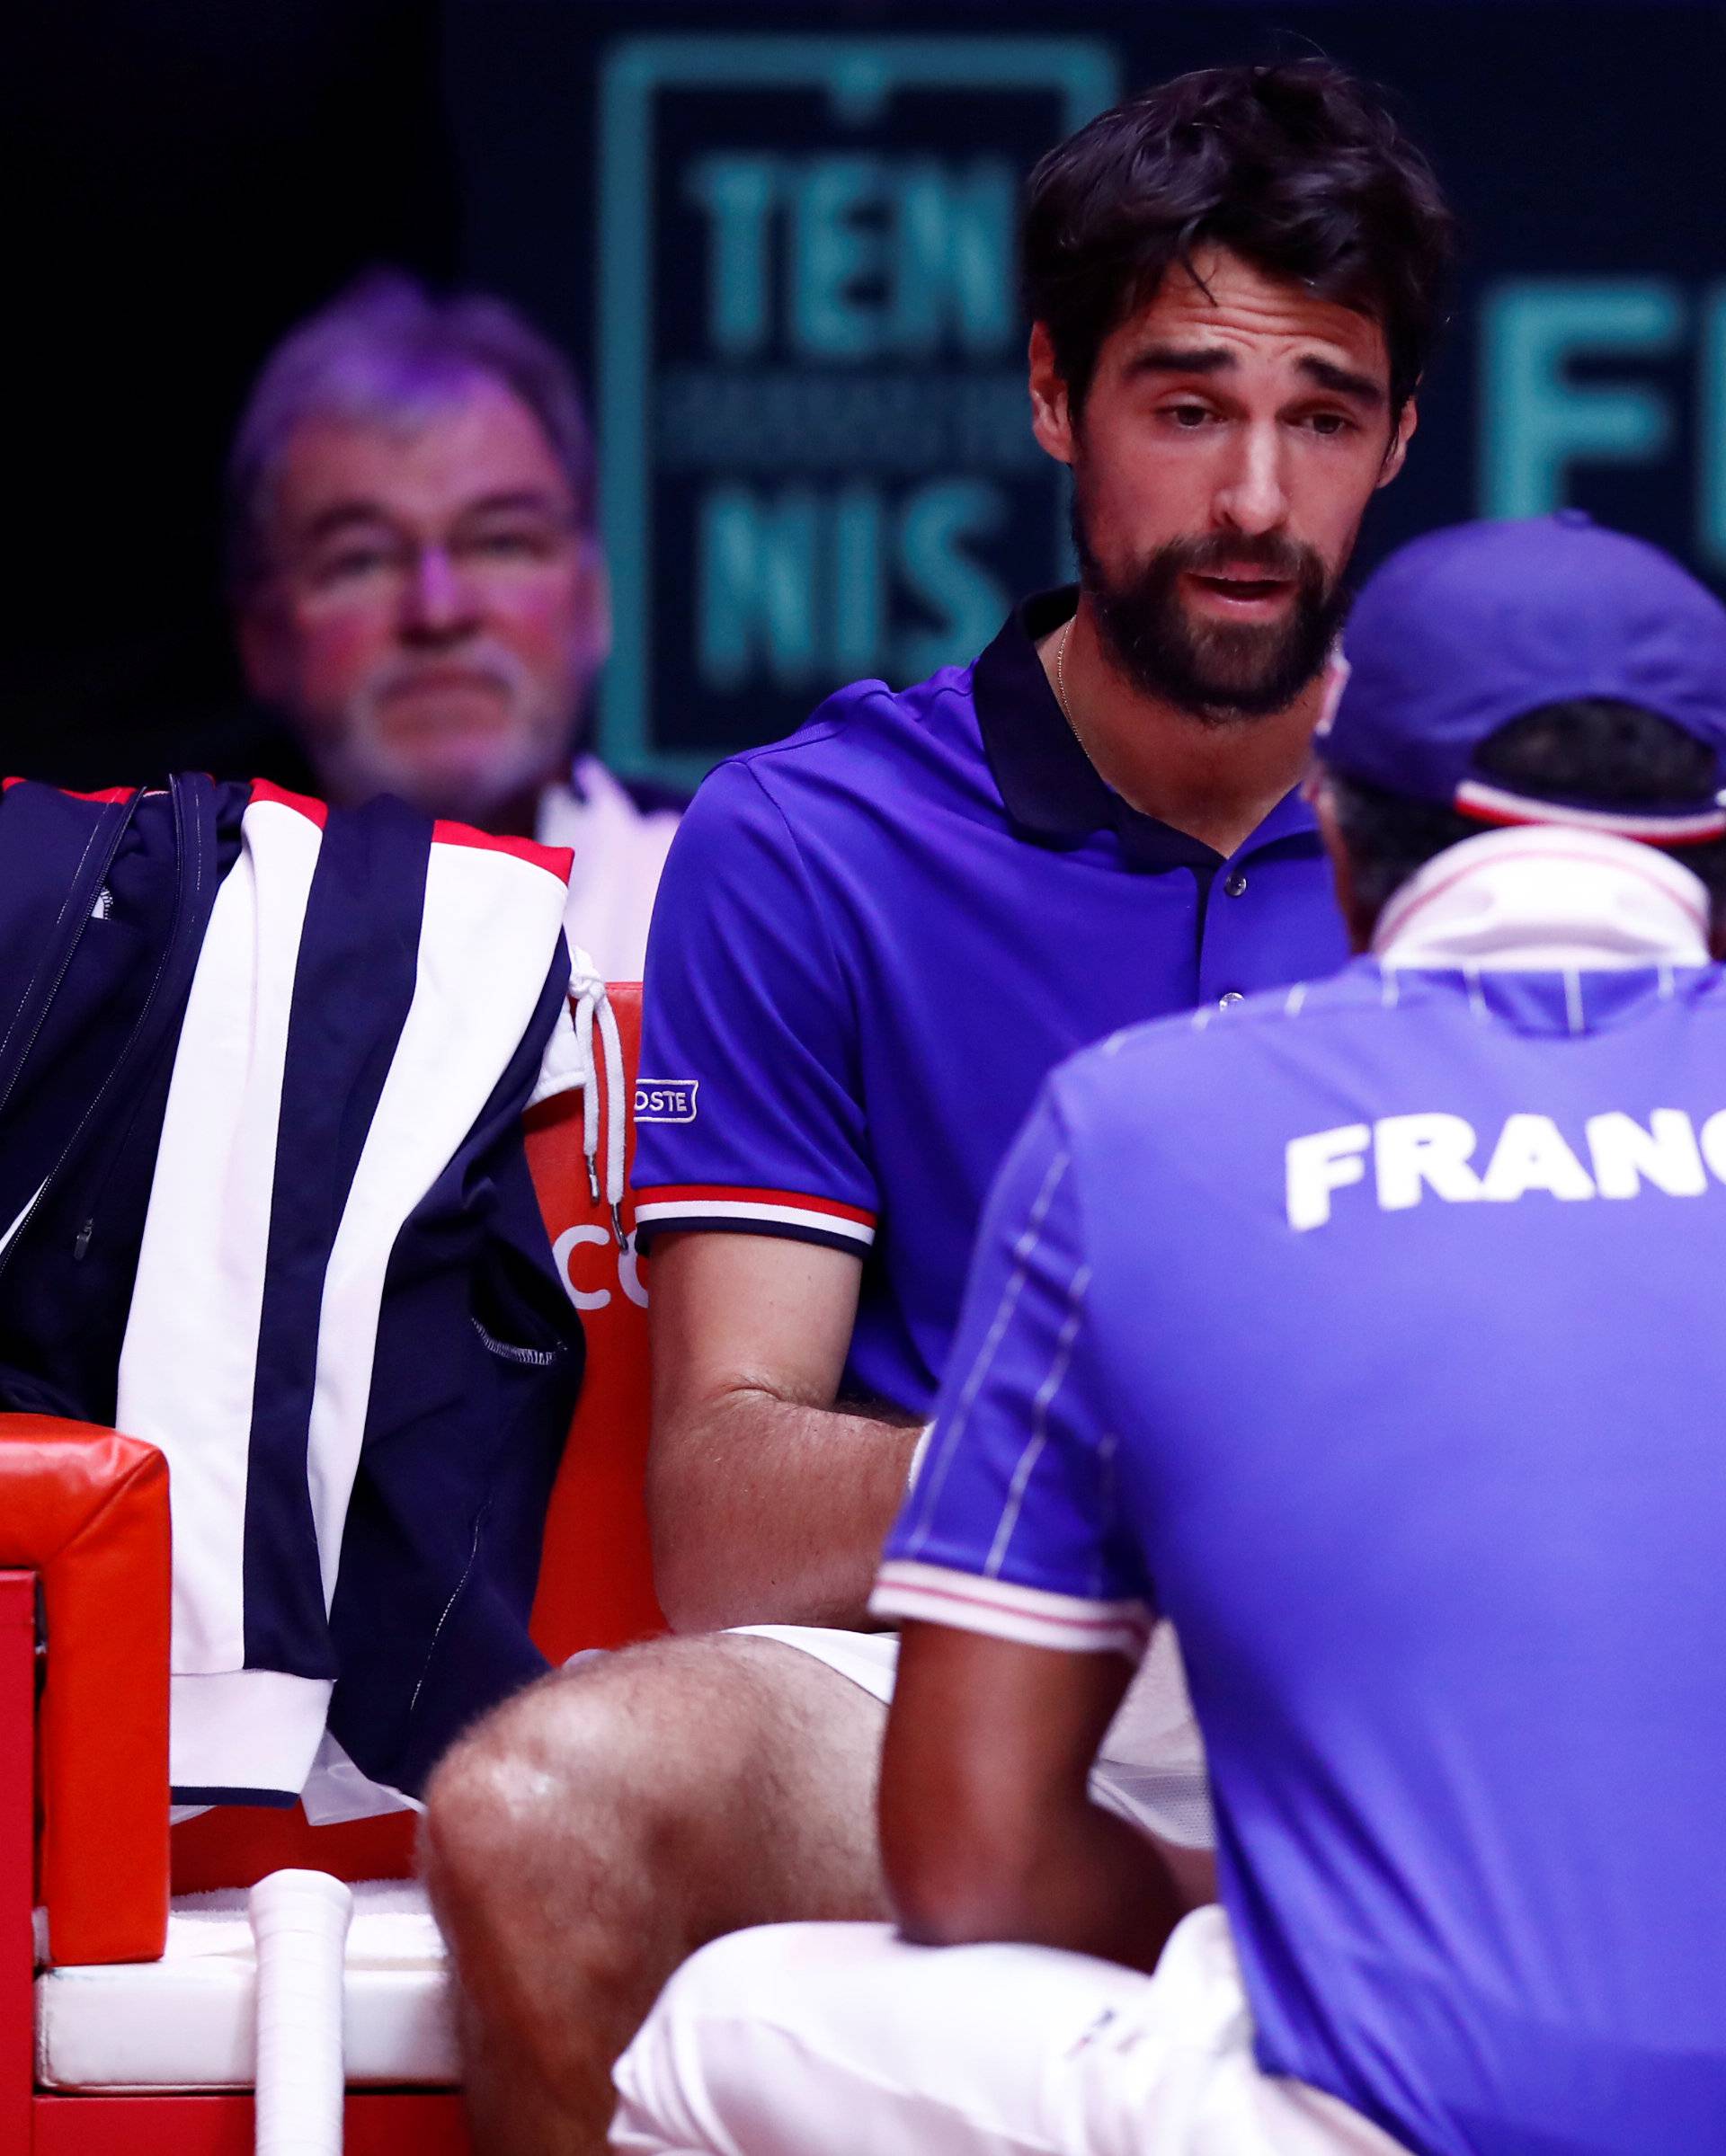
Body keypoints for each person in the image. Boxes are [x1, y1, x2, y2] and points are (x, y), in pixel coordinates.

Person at [422, 60, 1455, 2152]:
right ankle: (1186, 1922)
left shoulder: (1490, 832)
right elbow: (725, 1507)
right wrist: (1185, 1459)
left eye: (1322, 415)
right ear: (1054, 395)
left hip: (1416, 1685)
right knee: (534, 1808)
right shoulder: (816, 835)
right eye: (1184, 403)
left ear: (1397, 441)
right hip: (972, 1667)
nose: (1256, 496)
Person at [612, 512, 1726, 2156]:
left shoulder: (1147, 1124)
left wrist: (1258, 1921)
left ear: (1336, 828)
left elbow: (969, 1857)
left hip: (1371, 2110)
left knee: (719, 2029)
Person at [224, 272, 682, 978]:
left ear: (594, 600)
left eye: (501, 543)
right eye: (361, 561)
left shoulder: (726, 908)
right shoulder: (178, 946)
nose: (438, 613)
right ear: (263, 637)